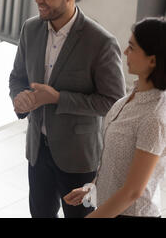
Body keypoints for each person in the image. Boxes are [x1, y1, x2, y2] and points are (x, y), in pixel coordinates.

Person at [8, 0, 126, 218]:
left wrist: (59, 98)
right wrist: (19, 99)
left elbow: (114, 101)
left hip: (79, 158)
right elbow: (17, 77)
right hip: (37, 152)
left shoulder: (101, 42)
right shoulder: (31, 29)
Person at [64, 17, 166, 218]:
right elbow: (117, 162)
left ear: (152, 60)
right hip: (110, 210)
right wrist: (92, 188)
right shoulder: (131, 97)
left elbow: (133, 191)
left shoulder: (153, 117)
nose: (125, 52)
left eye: (132, 47)